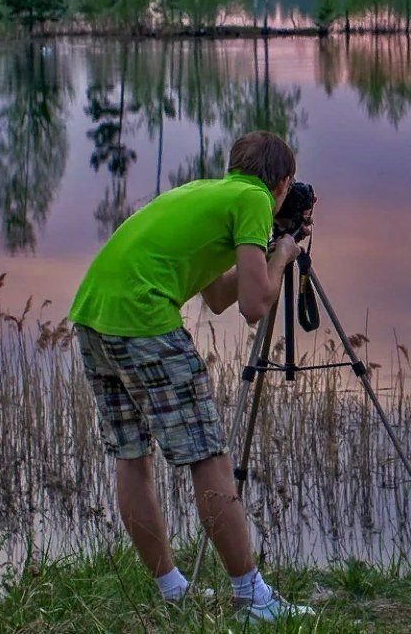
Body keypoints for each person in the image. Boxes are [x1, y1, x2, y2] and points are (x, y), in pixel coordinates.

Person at [68, 131, 314, 623]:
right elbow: (251, 307)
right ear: (283, 183)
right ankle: (252, 599)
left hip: (93, 315)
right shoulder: (254, 199)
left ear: (235, 165)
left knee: (131, 454)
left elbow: (219, 296)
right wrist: (283, 254)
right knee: (207, 456)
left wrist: (265, 249)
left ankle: (172, 590)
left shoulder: (205, 193)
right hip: (142, 322)